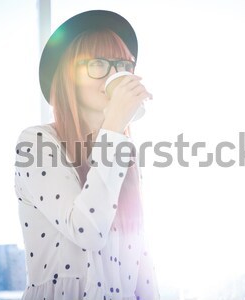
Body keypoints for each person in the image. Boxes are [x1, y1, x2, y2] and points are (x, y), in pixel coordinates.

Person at [14, 10, 160, 300]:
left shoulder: (124, 156)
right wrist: (116, 124)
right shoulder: (37, 142)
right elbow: (87, 231)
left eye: (122, 65)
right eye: (97, 63)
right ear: (69, 76)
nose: (113, 74)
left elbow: (142, 264)